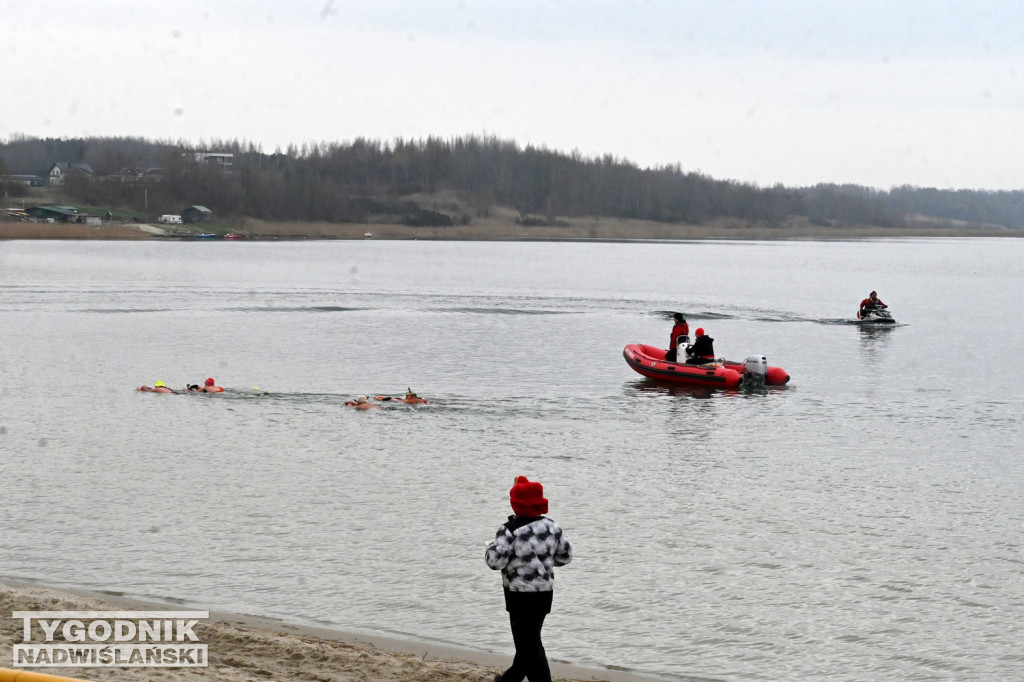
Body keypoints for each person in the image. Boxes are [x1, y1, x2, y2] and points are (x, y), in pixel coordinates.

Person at [485, 476, 573, 682]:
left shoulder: (509, 529)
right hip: (544, 593)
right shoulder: (553, 527)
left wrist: (489, 548)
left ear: (515, 503)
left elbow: (495, 562)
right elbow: (565, 556)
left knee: (528, 646)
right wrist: (544, 561)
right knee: (530, 643)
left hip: (518, 595)